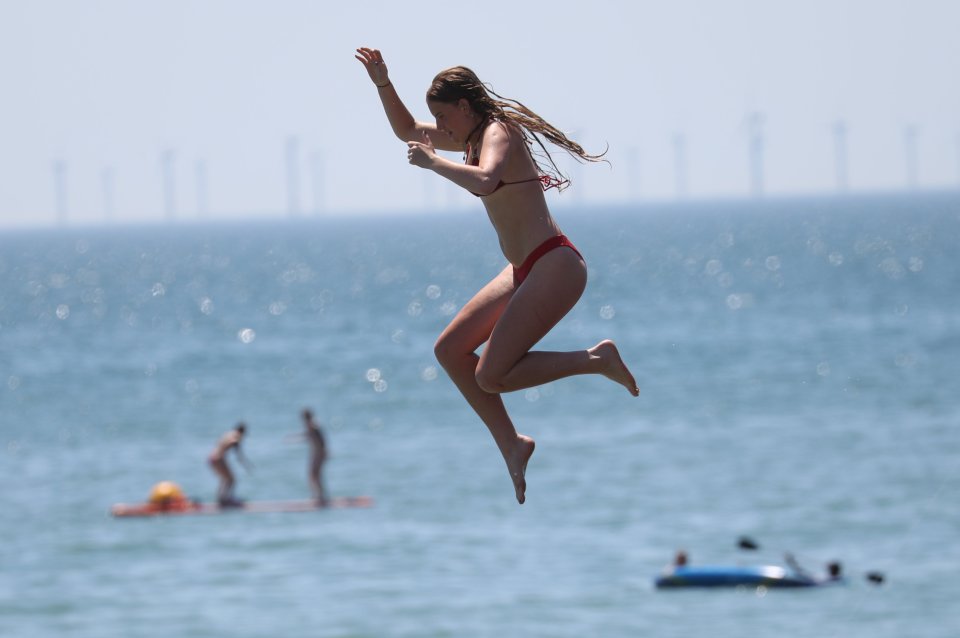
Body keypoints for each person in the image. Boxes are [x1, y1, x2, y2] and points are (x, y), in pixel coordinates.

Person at [355, 47, 639, 504]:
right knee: (449, 350)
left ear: (465, 107)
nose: (440, 127)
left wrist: (434, 163)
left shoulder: (499, 132)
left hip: (555, 265)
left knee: (491, 376)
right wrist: (383, 84)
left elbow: (486, 180)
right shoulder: (469, 137)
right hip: (524, 269)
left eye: (444, 117)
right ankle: (512, 443)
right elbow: (407, 131)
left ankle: (595, 360)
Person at [208, 423, 252, 506]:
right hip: (218, 458)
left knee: (225, 479)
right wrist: (246, 465)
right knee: (232, 479)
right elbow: (237, 452)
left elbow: (220, 443)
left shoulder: (228, 433)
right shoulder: (237, 436)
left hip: (212, 458)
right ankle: (226, 499)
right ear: (242, 432)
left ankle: (221, 499)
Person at [298, 408, 328, 505]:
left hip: (319, 454)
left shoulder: (313, 426)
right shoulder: (312, 426)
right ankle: (317, 495)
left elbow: (321, 441)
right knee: (314, 475)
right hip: (316, 453)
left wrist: (323, 452)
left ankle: (320, 497)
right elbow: (309, 436)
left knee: (315, 475)